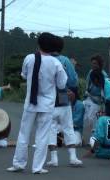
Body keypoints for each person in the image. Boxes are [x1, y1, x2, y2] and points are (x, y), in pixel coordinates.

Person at [7, 32, 68, 174]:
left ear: (38, 44)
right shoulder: (56, 62)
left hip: (30, 102)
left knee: (23, 133)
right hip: (47, 104)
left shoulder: (29, 58)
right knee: (42, 135)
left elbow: (24, 75)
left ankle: (18, 164)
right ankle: (37, 167)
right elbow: (61, 84)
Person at [46, 36, 82, 167]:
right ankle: (73, 157)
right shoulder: (65, 60)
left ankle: (53, 159)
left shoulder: (43, 60)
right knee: (68, 127)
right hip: (63, 96)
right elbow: (73, 81)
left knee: (50, 128)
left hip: (47, 99)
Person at [83, 55, 110, 131]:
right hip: (88, 97)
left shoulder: (104, 75)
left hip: (98, 100)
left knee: (94, 120)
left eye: (95, 63)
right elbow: (87, 84)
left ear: (100, 64)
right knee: (85, 119)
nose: (93, 65)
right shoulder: (90, 72)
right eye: (92, 63)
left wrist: (102, 102)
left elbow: (103, 90)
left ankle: (93, 138)